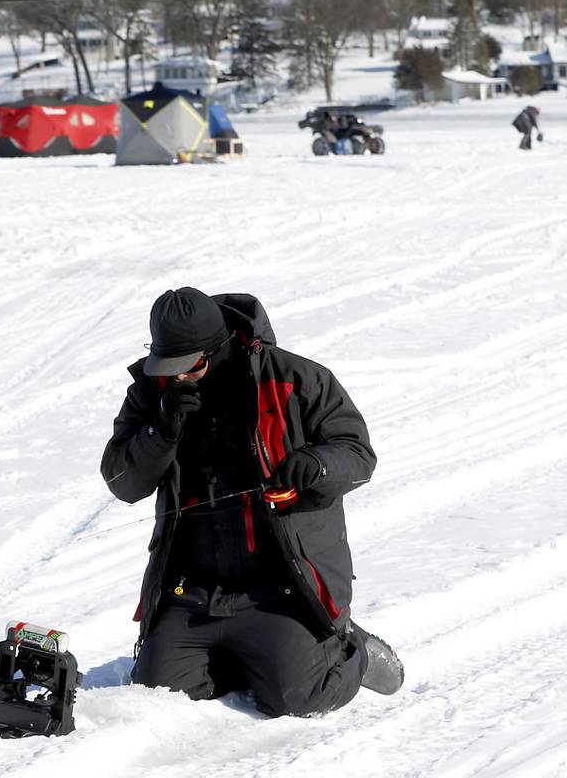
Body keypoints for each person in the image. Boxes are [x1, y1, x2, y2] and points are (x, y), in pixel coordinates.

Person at [101, 288, 404, 718]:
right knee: (156, 699)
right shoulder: (152, 395)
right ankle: (243, 654)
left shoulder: (295, 378)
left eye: (192, 367)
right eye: (169, 369)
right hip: (193, 590)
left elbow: (358, 455)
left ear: (219, 347)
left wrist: (315, 464)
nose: (180, 378)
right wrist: (160, 431)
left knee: (297, 697)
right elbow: (122, 482)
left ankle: (353, 651)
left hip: (280, 588)